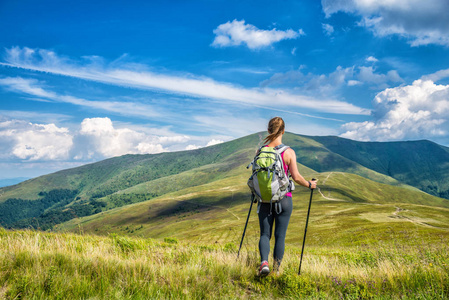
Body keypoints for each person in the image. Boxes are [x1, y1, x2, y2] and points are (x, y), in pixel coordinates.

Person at [257, 116, 317, 276]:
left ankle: (264, 263)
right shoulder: (288, 152)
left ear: (269, 130)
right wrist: (310, 185)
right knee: (280, 236)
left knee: (264, 234)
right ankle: (276, 271)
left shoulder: (260, 151)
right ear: (283, 131)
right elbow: (296, 177)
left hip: (264, 199)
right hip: (284, 199)